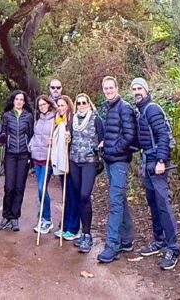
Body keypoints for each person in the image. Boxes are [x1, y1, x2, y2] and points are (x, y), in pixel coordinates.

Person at [131, 77, 180, 270]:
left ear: (146, 90)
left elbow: (163, 136)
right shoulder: (140, 111)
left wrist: (161, 160)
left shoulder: (152, 109)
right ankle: (159, 240)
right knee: (152, 202)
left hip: (156, 163)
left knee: (163, 204)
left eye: (139, 88)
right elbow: (142, 139)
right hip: (147, 162)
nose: (137, 92)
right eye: (134, 89)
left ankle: (173, 248)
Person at [96, 76, 138, 263]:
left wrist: (112, 150)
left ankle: (112, 245)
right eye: (105, 88)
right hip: (110, 160)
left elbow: (129, 136)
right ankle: (127, 240)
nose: (108, 91)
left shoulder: (124, 108)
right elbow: (113, 132)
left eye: (111, 87)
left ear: (117, 88)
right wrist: (104, 144)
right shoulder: (109, 108)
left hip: (119, 161)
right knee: (120, 199)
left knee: (114, 202)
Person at [69, 93, 104, 253]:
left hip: (89, 161)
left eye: (84, 102)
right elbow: (69, 138)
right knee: (78, 195)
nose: (81, 105)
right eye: (79, 103)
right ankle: (83, 233)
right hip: (74, 161)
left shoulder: (96, 119)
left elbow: (102, 138)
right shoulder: (73, 120)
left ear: (89, 104)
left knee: (85, 195)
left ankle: (88, 234)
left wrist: (100, 149)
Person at [0, 90, 34, 231]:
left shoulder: (28, 116)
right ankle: (6, 216)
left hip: (24, 154)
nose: (19, 101)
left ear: (24, 102)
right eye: (17, 99)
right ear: (13, 101)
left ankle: (14, 217)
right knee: (9, 186)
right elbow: (3, 131)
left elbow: (31, 135)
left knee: (19, 187)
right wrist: (2, 137)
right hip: (10, 154)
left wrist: (31, 152)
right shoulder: (7, 115)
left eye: (21, 99)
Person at [50, 95, 80, 242]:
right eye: (58, 106)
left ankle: (74, 228)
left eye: (62, 105)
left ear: (68, 105)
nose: (60, 108)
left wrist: (70, 138)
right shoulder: (57, 121)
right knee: (65, 195)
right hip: (62, 161)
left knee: (73, 194)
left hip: (72, 162)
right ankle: (65, 225)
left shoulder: (73, 120)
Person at [29, 95, 56, 235]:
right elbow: (35, 136)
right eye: (40, 105)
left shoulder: (55, 119)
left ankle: (47, 219)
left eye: (44, 104)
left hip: (47, 159)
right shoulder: (38, 119)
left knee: (42, 188)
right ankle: (43, 217)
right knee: (40, 189)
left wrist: (53, 141)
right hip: (36, 159)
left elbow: (59, 136)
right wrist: (31, 145)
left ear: (49, 104)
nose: (42, 107)